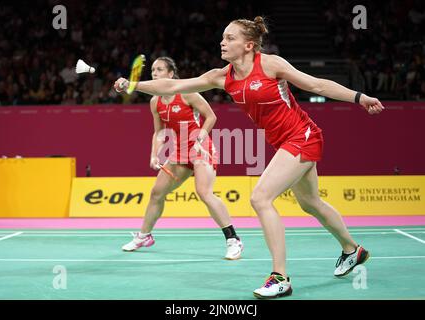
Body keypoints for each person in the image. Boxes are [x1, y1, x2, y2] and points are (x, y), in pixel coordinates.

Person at [115, 17, 384, 299]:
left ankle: (280, 277)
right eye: (223, 37)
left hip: (302, 135)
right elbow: (172, 87)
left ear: (249, 45)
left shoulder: (270, 64)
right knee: (310, 202)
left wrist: (358, 97)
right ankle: (353, 250)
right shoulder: (222, 76)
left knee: (260, 197)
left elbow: (316, 85)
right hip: (282, 141)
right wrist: (134, 86)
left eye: (230, 38)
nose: (223, 42)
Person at [121, 57, 244, 260]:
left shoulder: (187, 93)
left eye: (160, 69)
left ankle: (233, 239)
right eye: (152, 70)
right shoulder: (155, 101)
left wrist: (201, 138)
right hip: (179, 152)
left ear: (171, 74)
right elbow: (159, 133)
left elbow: (211, 116)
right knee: (156, 193)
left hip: (200, 148)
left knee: (204, 192)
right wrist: (154, 155)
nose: (155, 73)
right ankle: (144, 236)